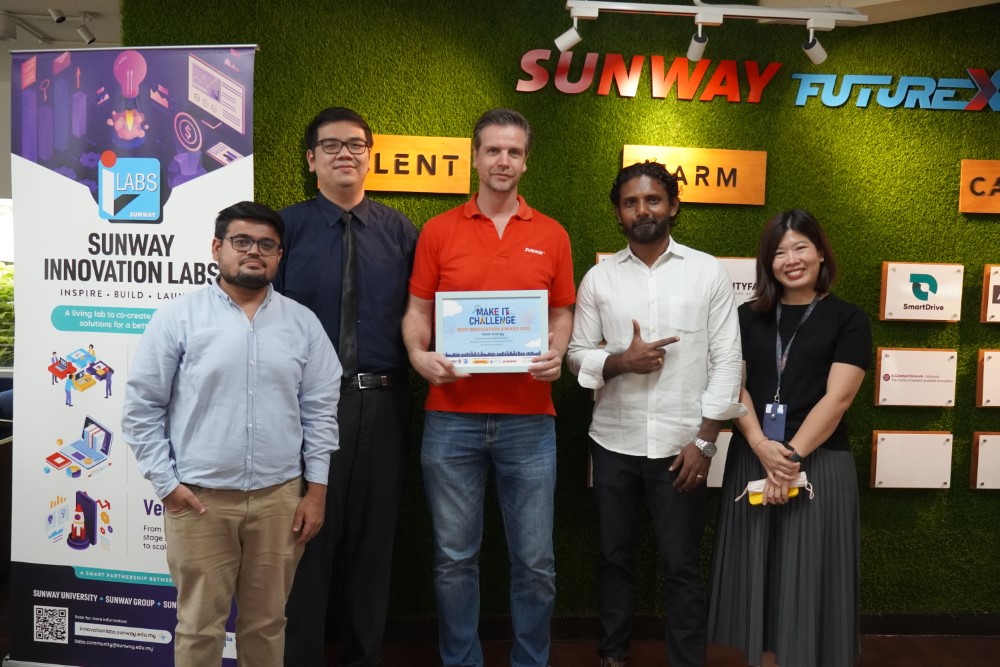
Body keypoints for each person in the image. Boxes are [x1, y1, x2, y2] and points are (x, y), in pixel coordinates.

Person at [122, 201, 342, 667]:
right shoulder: (178, 318)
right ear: (217, 248)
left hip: (279, 502)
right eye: (242, 241)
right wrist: (167, 484)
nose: (254, 252)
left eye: (267, 245)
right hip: (199, 502)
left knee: (266, 626)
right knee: (199, 628)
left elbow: (321, 412)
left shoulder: (302, 324)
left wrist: (315, 491)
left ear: (279, 256)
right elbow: (142, 407)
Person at [402, 108, 575, 667]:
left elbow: (563, 310)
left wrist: (557, 350)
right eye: (494, 150)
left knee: (536, 563)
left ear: (526, 160)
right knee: (454, 560)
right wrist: (416, 354)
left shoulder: (551, 234)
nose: (504, 161)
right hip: (450, 416)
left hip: (530, 420)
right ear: (474, 157)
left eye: (514, 152)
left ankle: (531, 661)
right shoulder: (438, 230)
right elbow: (418, 309)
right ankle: (462, 662)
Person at [567, 160, 744, 667]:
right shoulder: (599, 278)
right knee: (613, 558)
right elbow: (577, 353)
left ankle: (687, 660)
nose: (642, 209)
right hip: (613, 440)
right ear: (618, 214)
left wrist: (706, 440)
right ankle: (613, 654)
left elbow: (728, 360)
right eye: (630, 202)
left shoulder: (708, 271)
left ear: (673, 205)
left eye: (652, 199)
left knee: (682, 565)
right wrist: (622, 362)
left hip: (682, 446)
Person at [277, 106, 418, 667]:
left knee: (372, 547)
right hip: (304, 409)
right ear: (311, 159)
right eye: (331, 145)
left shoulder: (402, 232)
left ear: (370, 156)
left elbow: (425, 315)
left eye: (356, 145)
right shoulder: (284, 230)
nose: (345, 153)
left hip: (383, 404)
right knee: (304, 546)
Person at [707, 209, 871, 667]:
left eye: (801, 247)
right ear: (767, 262)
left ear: (821, 253)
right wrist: (762, 446)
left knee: (808, 577)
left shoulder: (848, 319)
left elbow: (838, 400)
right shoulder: (745, 316)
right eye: (779, 251)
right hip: (752, 457)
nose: (791, 259)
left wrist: (790, 458)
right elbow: (732, 384)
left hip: (819, 463)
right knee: (758, 572)